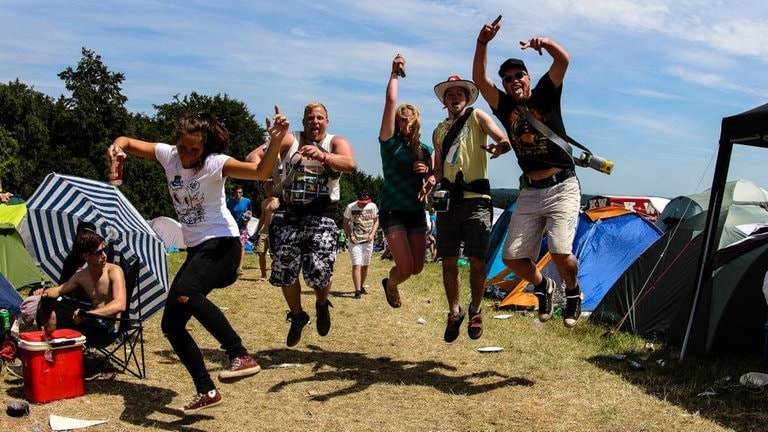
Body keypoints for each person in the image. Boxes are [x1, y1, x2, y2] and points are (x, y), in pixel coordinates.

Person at [108, 109, 289, 414]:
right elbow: (126, 141)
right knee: (171, 325)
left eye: (195, 149)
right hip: (197, 250)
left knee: (187, 292)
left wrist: (277, 140)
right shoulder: (169, 157)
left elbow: (259, 173)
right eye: (183, 148)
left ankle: (239, 353)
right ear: (176, 143)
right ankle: (206, 389)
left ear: (205, 147)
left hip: (222, 246)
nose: (189, 154)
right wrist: (115, 147)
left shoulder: (216, 163)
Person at [473, 17, 582, 328]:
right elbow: (480, 80)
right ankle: (544, 287)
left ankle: (572, 292)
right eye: (507, 78)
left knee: (562, 253)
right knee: (512, 257)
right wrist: (482, 43)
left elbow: (564, 60)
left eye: (518, 75)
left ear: (528, 77)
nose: (512, 81)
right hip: (531, 191)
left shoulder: (546, 94)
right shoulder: (504, 107)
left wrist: (543, 44)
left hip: (562, 185)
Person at [246, 102, 356, 348]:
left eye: (319, 118)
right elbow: (253, 157)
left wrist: (323, 156)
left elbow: (350, 164)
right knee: (284, 270)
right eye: (309, 118)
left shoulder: (335, 142)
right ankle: (297, 315)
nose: (314, 122)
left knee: (319, 269)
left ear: (327, 122)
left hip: (322, 213)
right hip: (289, 213)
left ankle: (321, 304)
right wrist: (266, 176)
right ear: (303, 121)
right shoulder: (290, 139)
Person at [431, 74, 511, 342]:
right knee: (449, 261)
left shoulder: (477, 116)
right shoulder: (438, 131)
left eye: (460, 93)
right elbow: (439, 167)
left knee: (477, 261)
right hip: (449, 202)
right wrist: (433, 182)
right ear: (444, 100)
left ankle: (476, 309)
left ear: (467, 98)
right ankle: (454, 311)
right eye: (450, 94)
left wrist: (500, 147)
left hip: (477, 198)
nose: (455, 97)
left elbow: (503, 138)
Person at [378, 54, 436, 309]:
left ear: (417, 121)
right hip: (393, 210)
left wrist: (428, 174)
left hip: (416, 211)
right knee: (404, 266)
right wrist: (394, 73)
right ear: (396, 121)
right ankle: (391, 283)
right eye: (402, 118)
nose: (407, 122)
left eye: (411, 118)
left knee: (417, 269)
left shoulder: (424, 149)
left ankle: (394, 281)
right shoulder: (389, 142)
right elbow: (390, 101)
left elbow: (437, 175)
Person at [34, 229, 126, 348]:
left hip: (106, 329)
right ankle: (48, 352)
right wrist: (44, 292)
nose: (104, 255)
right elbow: (59, 290)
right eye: (99, 253)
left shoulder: (114, 271)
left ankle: (50, 351)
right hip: (89, 322)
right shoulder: (82, 276)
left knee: (61, 314)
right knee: (53, 309)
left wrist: (88, 314)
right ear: (86, 256)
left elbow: (120, 304)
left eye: (105, 250)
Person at [343, 191, 380, 299]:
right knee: (356, 265)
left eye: (366, 202)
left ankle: (361, 285)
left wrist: (372, 234)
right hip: (355, 241)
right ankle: (357, 290)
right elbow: (345, 223)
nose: (364, 204)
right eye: (362, 202)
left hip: (368, 240)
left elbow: (376, 221)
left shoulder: (373, 206)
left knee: (365, 266)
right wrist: (350, 235)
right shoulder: (350, 207)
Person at [252, 180, 280, 281]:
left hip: (275, 231)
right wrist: (256, 232)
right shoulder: (264, 203)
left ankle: (276, 273)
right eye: (266, 187)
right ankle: (263, 276)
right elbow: (262, 218)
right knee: (260, 252)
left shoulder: (279, 201)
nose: (267, 189)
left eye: (269, 187)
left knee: (274, 255)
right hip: (264, 231)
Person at [226, 185, 252, 276]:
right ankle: (230, 265)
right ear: (233, 193)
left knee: (241, 245)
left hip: (242, 227)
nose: (238, 194)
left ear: (242, 193)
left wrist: (247, 218)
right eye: (236, 192)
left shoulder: (247, 201)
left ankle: (240, 268)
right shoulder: (228, 202)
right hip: (231, 228)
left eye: (240, 192)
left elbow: (250, 211)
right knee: (231, 246)